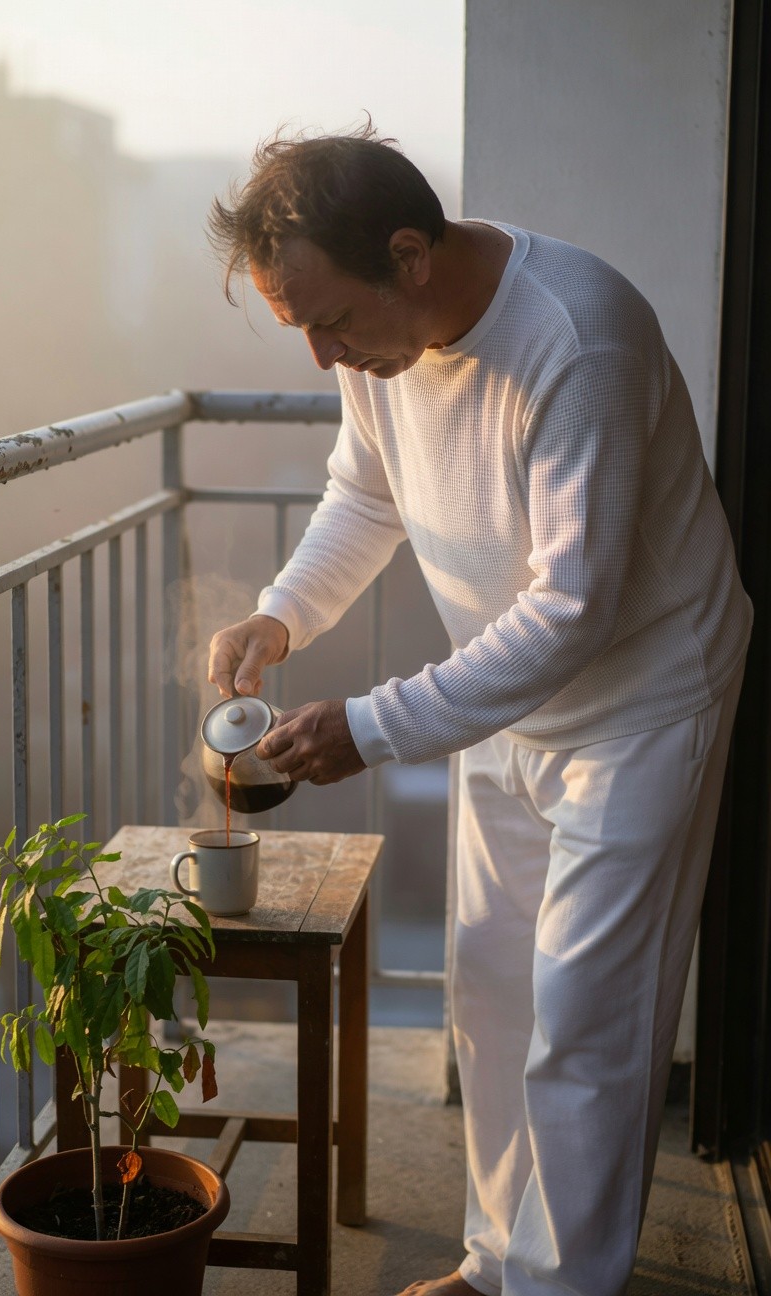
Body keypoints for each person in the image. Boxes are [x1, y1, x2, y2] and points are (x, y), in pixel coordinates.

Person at [205, 123, 752, 1296]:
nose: (323, 357)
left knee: (586, 1022)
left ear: (409, 254)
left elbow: (576, 609)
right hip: (504, 694)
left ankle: (560, 1286)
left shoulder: (577, 336)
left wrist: (373, 724)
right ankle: (498, 1261)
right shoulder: (378, 358)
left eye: (328, 321)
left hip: (643, 699)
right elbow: (366, 497)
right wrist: (281, 615)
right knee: (494, 997)